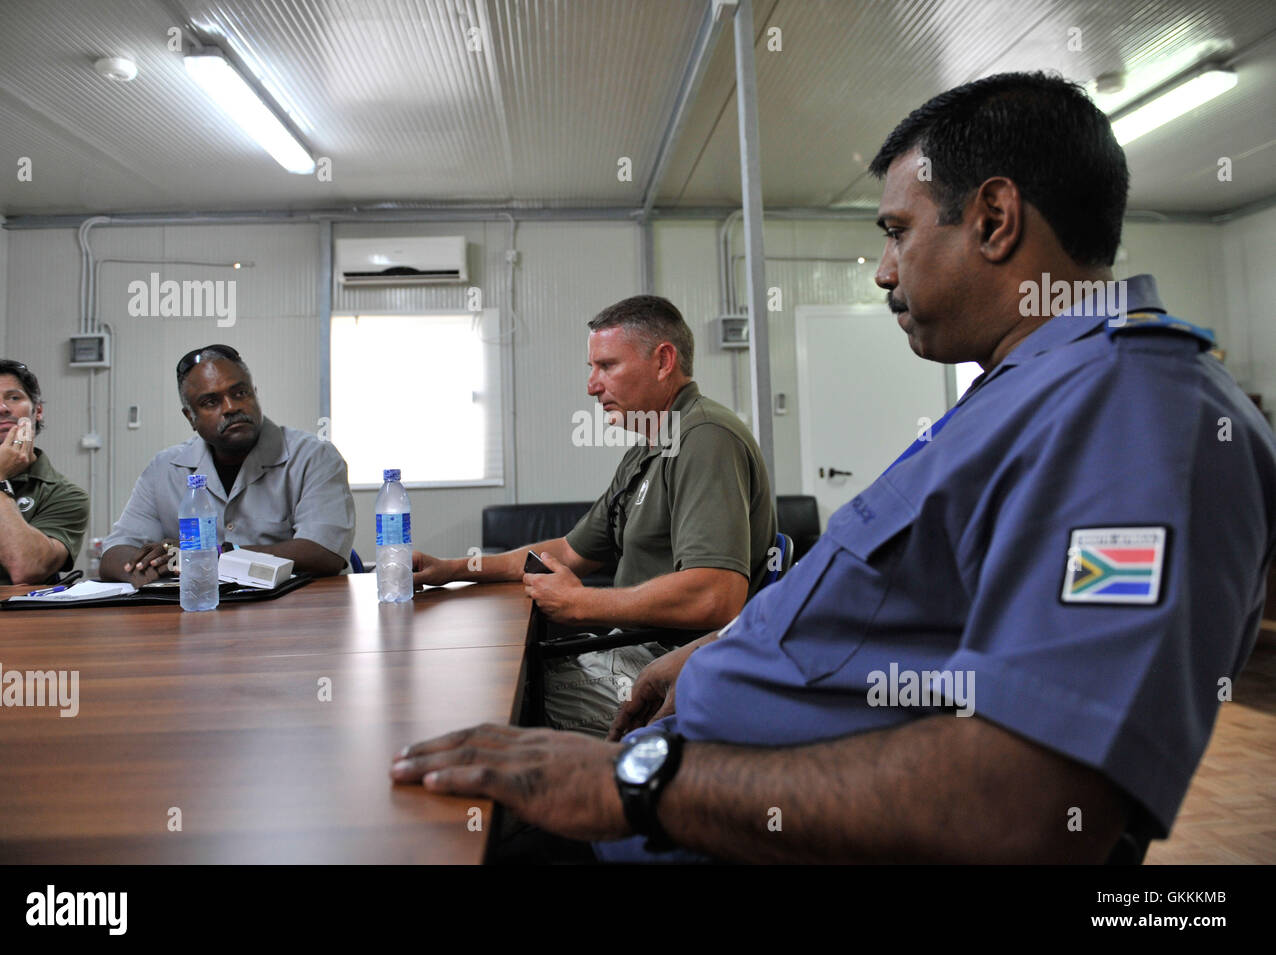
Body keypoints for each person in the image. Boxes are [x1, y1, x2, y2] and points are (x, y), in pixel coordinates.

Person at [389, 72, 1276, 863]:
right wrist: (710, 652)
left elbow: (1029, 801)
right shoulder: (1023, 393)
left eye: (896, 232)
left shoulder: (1133, 413)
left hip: (706, 819)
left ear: (995, 220)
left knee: (432, 829)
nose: (885, 271)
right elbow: (890, 613)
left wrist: (632, 784)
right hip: (688, 765)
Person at [412, 295, 777, 735]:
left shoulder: (704, 439)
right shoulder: (650, 446)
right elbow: (570, 551)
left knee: (487, 701)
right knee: (487, 674)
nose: (591, 385)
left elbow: (715, 596)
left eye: (606, 366)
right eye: (593, 369)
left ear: (663, 361)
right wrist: (454, 567)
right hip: (630, 648)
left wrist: (584, 604)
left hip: (669, 670)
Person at [100, 345, 355, 586]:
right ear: (190, 417)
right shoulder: (165, 468)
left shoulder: (313, 456)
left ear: (255, 393)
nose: (231, 407)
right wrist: (145, 566)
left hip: (296, 615)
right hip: (198, 615)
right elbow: (114, 553)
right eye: (211, 402)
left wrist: (211, 555)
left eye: (240, 393)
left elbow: (323, 553)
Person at [0, 360, 89, 586]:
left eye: (14, 397)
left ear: (37, 411)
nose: (1, 408)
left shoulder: (65, 494)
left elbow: (26, 569)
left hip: (17, 617)